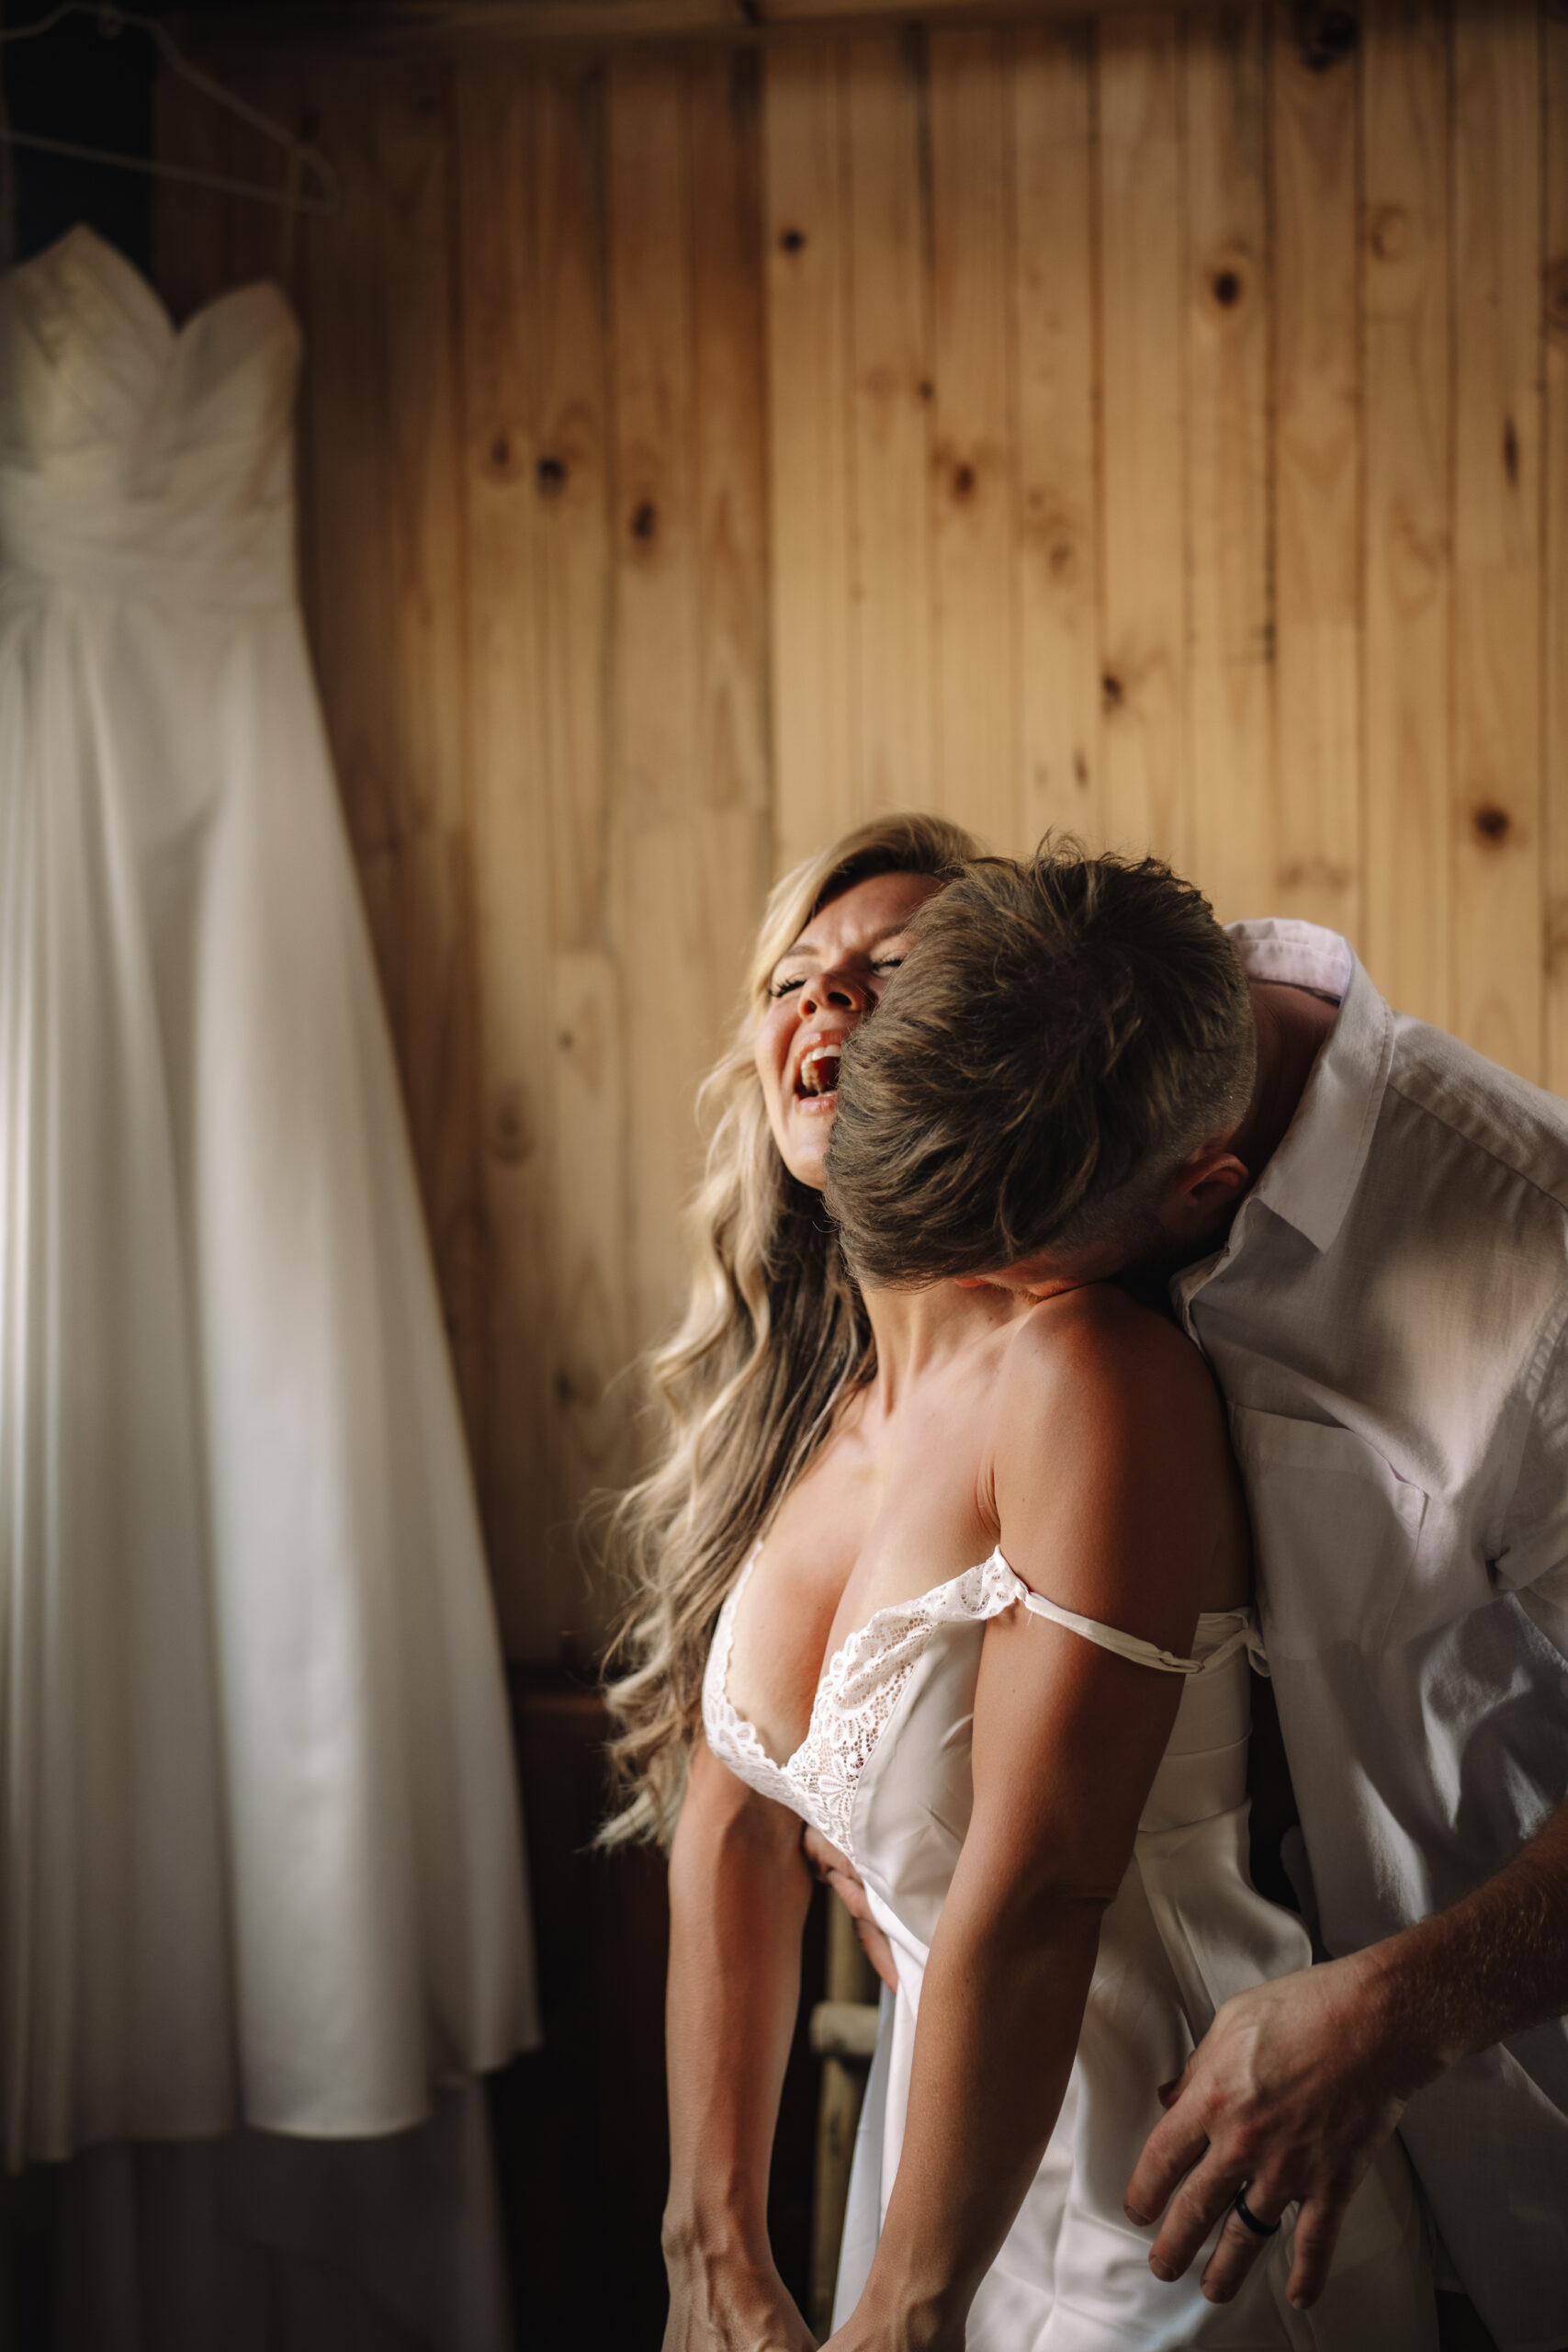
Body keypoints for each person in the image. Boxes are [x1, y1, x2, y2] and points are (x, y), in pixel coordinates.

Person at [603, 817, 1434, 2350]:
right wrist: (711, 2239)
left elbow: (1043, 1886)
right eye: (801, 976)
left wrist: (905, 2320)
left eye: (896, 977)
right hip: (937, 2181)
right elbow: (729, 1817)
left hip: (1168, 2210)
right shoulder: (810, 1417)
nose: (834, 1006)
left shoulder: (1088, 1378)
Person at [822, 843, 1568, 2352]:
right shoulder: (1062, 1031)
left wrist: (1391, 2016)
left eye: (1020, 1286)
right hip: (1127, 2181)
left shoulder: (1540, 1272)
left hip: (1502, 2147)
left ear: (1205, 1191)